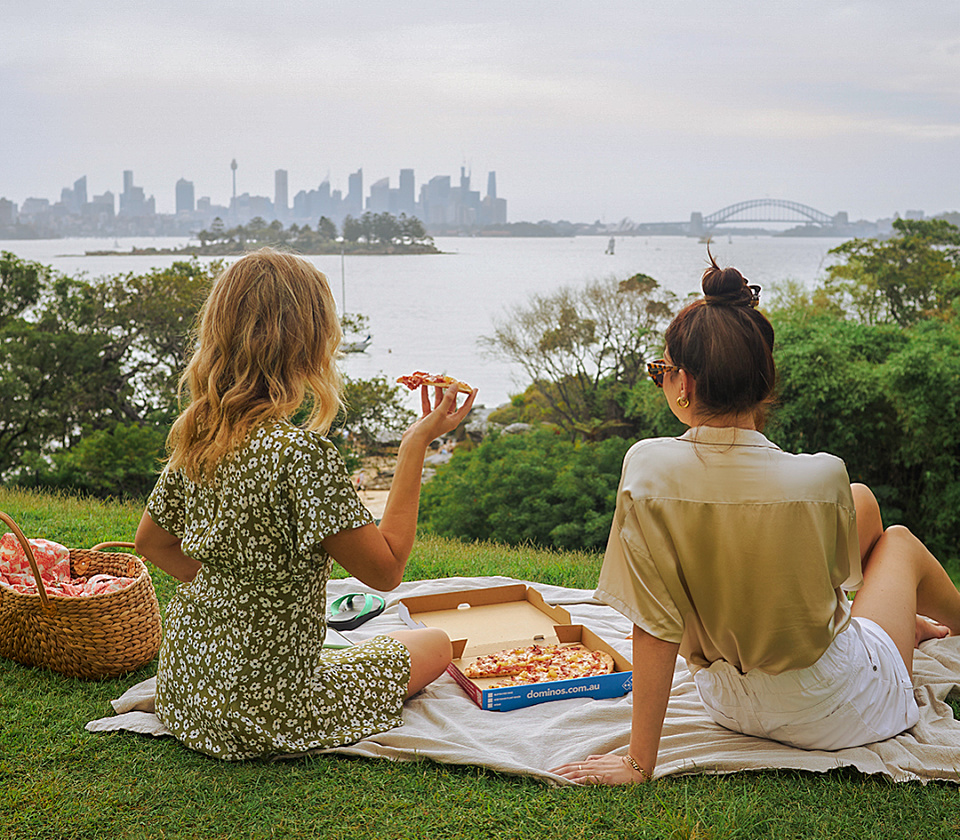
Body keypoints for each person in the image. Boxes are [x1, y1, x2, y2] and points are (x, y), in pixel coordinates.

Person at [552, 254, 960, 786]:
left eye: (661, 371)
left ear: (685, 386)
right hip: (837, 709)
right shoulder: (820, 477)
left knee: (859, 501)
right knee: (897, 540)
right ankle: (906, 625)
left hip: (729, 703)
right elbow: (833, 583)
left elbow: (653, 626)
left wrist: (638, 761)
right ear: (763, 382)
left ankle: (899, 625)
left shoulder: (647, 469)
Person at [135, 248, 476, 760]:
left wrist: (236, 596)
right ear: (310, 343)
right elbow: (385, 572)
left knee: (370, 647)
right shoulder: (300, 454)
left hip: (188, 689)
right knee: (436, 644)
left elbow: (152, 543)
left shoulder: (201, 433)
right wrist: (415, 445)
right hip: (263, 713)